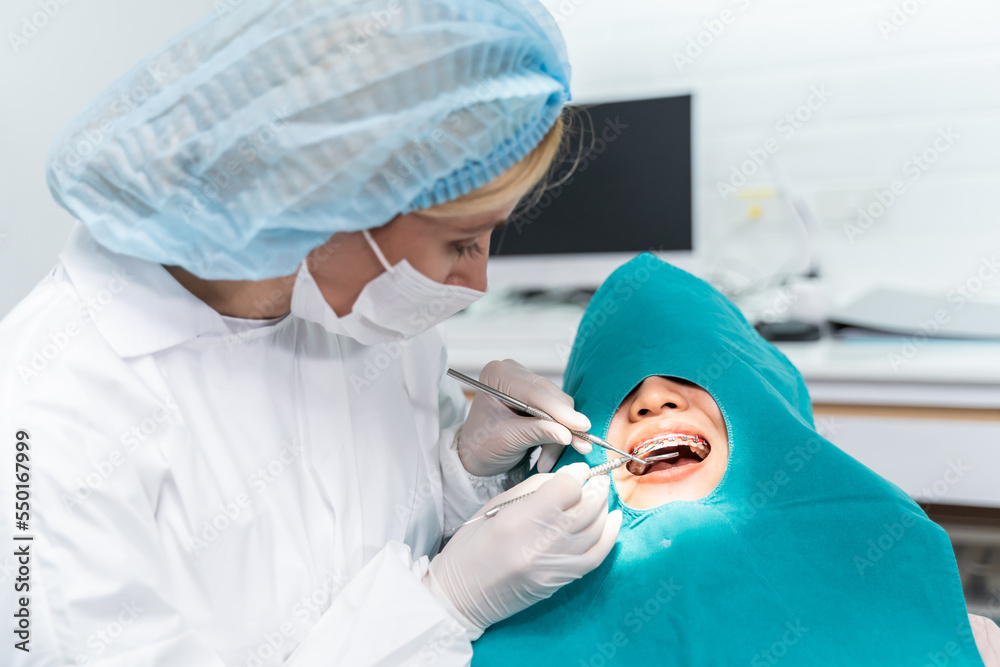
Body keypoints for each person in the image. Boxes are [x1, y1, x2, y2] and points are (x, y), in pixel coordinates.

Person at [0, 1, 621, 664]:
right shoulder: (45, 417)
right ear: (327, 197)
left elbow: (381, 541)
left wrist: (467, 470)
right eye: (461, 241)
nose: (476, 284)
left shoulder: (354, 311)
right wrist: (443, 606)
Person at [471, 253, 1000, 666]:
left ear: (769, 422)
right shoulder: (494, 604)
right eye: (621, 394)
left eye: (689, 377)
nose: (654, 399)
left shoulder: (955, 632)